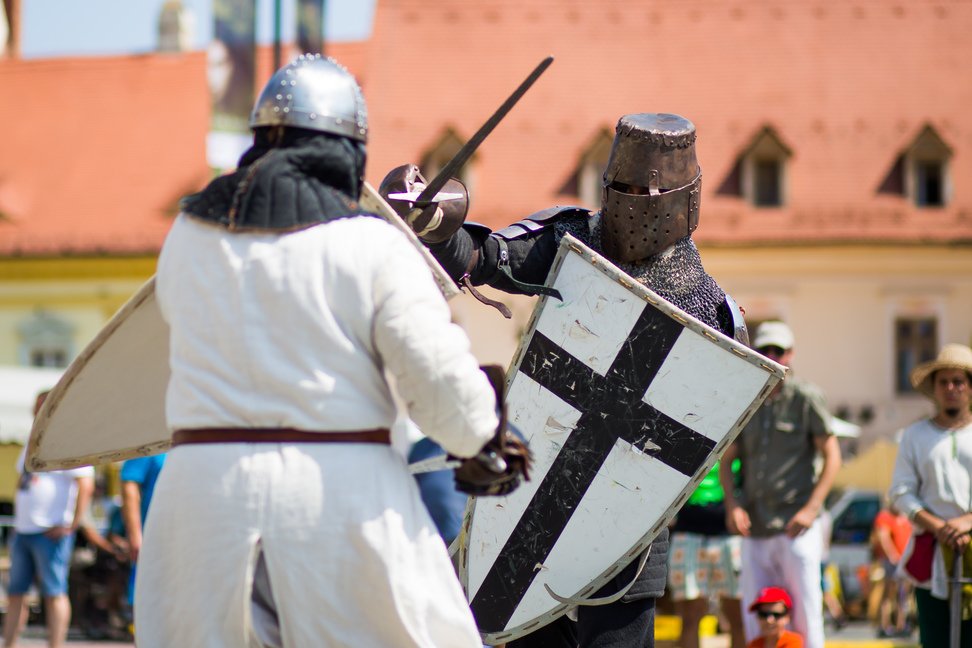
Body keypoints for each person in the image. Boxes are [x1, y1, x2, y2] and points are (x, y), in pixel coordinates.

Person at [135, 54, 527, 647]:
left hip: (200, 500)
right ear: (348, 153)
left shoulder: (186, 237)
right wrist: (483, 436)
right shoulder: (370, 246)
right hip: (335, 499)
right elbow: (436, 377)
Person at [382, 112, 747, 648]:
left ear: (684, 196)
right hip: (529, 510)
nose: (641, 200)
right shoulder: (571, 241)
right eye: (628, 187)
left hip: (623, 533)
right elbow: (485, 258)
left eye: (656, 189)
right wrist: (435, 226)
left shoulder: (709, 313)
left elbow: (702, 430)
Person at [719, 321, 841, 648]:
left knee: (804, 613)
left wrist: (812, 509)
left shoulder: (805, 396)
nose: (772, 356)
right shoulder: (748, 396)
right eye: (765, 350)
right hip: (756, 524)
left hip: (795, 523)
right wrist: (733, 505)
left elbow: (832, 455)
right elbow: (727, 459)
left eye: (779, 350)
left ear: (791, 354)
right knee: (755, 612)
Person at [889, 342, 972, 647]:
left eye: (958, 381)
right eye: (944, 381)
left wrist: (966, 523)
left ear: (969, 387)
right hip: (931, 551)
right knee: (935, 638)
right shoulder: (915, 435)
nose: (951, 388)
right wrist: (941, 528)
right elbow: (900, 491)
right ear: (935, 388)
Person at [2, 391, 96, 648]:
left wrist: (72, 524)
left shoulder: (69, 442)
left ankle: (55, 645)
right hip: (25, 528)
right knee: (16, 593)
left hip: (49, 530)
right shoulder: (31, 441)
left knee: (53, 592)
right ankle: (9, 643)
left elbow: (85, 485)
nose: (37, 413)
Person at [668, 461, 745, 648]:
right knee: (690, 617)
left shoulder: (741, 436)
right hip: (688, 529)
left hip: (730, 533)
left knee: (738, 617)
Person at [119, 453, 165, 611]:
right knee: (149, 603)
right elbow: (129, 485)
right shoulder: (150, 440)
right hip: (154, 539)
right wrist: (135, 534)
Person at [870, 501, 913, 638]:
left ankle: (901, 625)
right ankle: (885, 625)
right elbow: (883, 537)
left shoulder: (905, 517)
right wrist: (892, 555)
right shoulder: (885, 517)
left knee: (903, 596)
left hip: (904, 561)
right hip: (893, 562)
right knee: (889, 594)